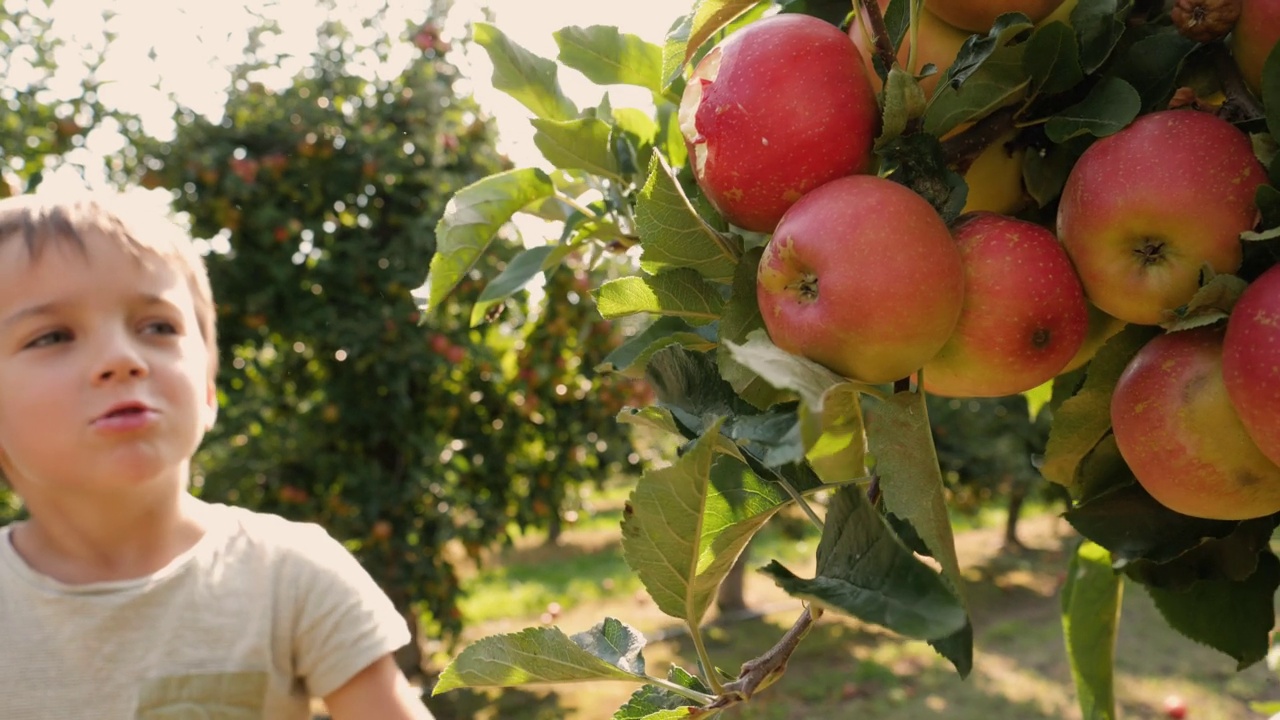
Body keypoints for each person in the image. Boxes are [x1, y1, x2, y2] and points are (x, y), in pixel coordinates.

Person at [0, 191, 434, 719]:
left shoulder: (290, 575)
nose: (120, 358)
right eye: (52, 336)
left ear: (208, 388)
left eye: (157, 326)